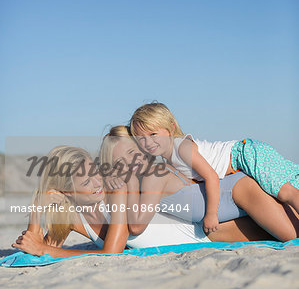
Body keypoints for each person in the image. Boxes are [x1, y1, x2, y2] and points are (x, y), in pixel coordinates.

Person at [14, 135, 299, 258]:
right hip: (208, 233)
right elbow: (38, 246)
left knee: (292, 234)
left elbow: (111, 252)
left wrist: (46, 249)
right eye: (85, 180)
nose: (96, 182)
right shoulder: (74, 217)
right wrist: (38, 209)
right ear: (66, 191)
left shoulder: (114, 194)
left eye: (94, 172)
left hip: (210, 229)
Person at [99, 126, 299, 242]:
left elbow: (136, 226)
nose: (129, 164)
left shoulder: (154, 175)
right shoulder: (153, 175)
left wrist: (131, 183)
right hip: (226, 216)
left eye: (132, 154)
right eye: (120, 162)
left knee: (293, 237)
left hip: (243, 192)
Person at [129, 102, 299, 233]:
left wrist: (211, 214)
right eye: (141, 138)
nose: (148, 142)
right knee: (283, 190)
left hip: (245, 153)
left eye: (153, 134)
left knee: (285, 192)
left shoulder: (182, 148)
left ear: (171, 128)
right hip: (242, 159)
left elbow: (211, 177)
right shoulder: (169, 160)